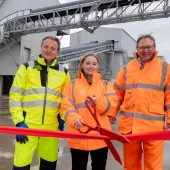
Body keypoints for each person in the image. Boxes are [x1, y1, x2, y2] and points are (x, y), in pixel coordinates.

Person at [9, 36, 70, 170]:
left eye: (53, 48)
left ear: (57, 52)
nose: (49, 50)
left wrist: (62, 118)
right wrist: (19, 122)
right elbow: (15, 96)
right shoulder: (26, 68)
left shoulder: (64, 73)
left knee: (48, 165)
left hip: (51, 127)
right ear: (41, 48)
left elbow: (66, 99)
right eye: (46, 47)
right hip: (27, 126)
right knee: (21, 165)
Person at [110, 34, 170, 170]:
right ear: (137, 49)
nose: (145, 50)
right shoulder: (127, 68)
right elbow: (117, 93)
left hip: (153, 128)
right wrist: (112, 112)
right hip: (129, 127)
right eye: (142, 47)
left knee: (153, 166)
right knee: (131, 166)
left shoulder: (165, 68)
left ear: (154, 48)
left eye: (148, 47)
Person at [61, 53, 118, 170]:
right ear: (81, 65)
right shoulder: (71, 85)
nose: (90, 66)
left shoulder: (106, 85)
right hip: (79, 136)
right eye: (87, 63)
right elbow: (66, 106)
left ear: (98, 66)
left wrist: (98, 101)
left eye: (94, 64)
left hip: (100, 138)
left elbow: (112, 105)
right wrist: (74, 119)